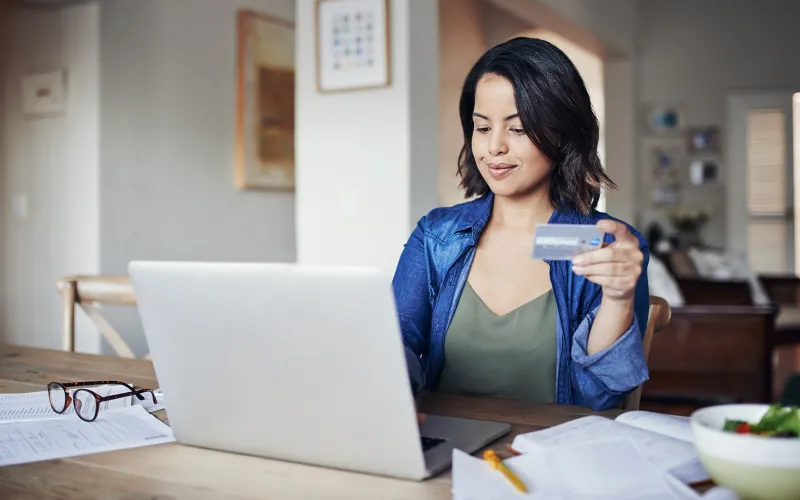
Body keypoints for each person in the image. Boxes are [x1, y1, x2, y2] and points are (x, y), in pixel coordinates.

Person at [392, 37, 649, 411]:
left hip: (551, 454)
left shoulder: (603, 245)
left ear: (562, 131)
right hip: (445, 450)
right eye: (482, 128)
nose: (494, 146)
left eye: (518, 128)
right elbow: (393, 345)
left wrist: (619, 297)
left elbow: (602, 399)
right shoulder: (437, 236)